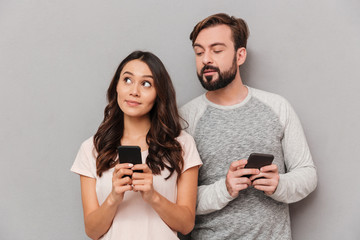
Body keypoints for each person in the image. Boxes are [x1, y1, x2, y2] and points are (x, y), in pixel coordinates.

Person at [179, 13, 317, 239]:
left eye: (217, 50)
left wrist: (279, 184)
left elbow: (308, 174)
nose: (206, 59)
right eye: (199, 51)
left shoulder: (277, 107)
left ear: (240, 55)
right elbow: (178, 200)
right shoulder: (185, 118)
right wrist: (225, 188)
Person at [71, 51, 202, 240]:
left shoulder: (181, 145)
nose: (134, 91)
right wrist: (114, 197)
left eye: (146, 83)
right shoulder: (92, 148)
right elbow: (92, 231)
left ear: (159, 94)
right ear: (116, 86)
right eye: (127, 80)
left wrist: (152, 196)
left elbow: (186, 225)